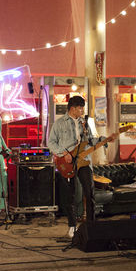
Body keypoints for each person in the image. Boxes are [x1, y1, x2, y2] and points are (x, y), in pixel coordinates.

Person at [47, 96, 115, 239]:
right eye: (80, 108)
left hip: (84, 161)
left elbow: (90, 140)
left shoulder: (84, 123)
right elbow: (51, 143)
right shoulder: (59, 123)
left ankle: (91, 225)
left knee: (89, 192)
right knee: (69, 196)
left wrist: (104, 139)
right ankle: (72, 226)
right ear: (73, 108)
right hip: (67, 163)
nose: (82, 110)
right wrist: (63, 153)